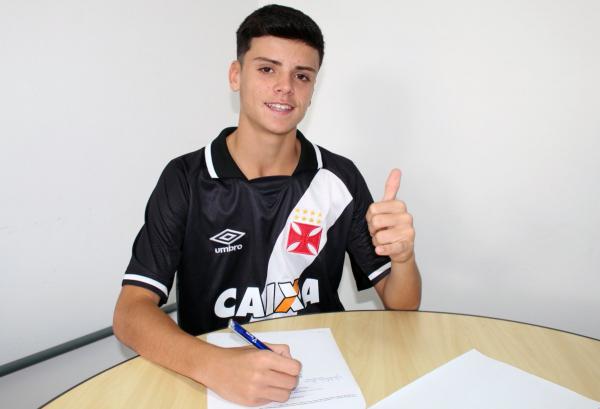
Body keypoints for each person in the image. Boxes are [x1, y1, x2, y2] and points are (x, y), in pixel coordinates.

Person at [113, 4, 421, 406]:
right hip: (217, 380)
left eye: (302, 76)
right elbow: (130, 313)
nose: (285, 87)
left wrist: (403, 258)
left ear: (313, 88)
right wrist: (216, 365)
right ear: (235, 75)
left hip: (324, 380)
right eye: (267, 69)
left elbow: (402, 304)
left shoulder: (338, 176)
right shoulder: (186, 178)